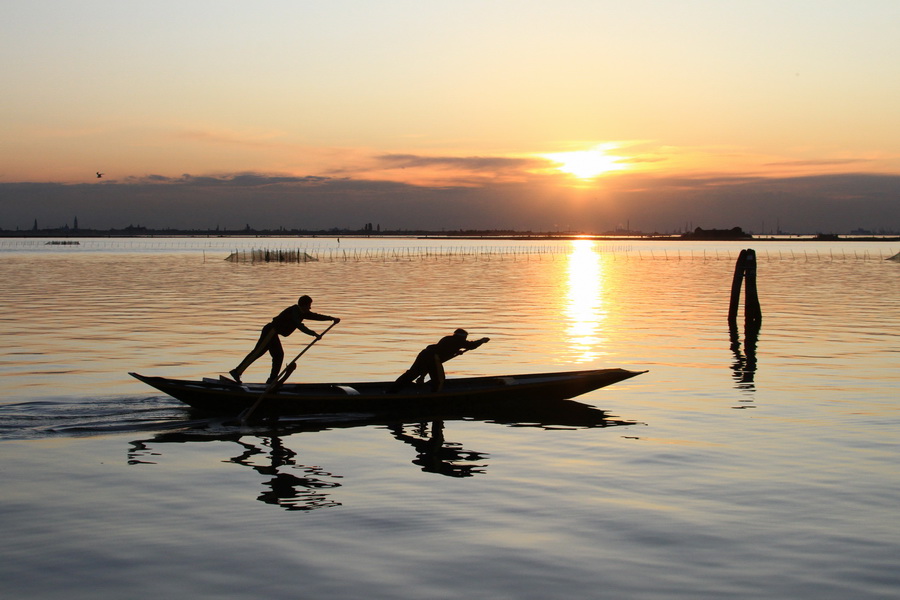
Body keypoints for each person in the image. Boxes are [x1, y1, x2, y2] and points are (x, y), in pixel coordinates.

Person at [229, 295, 339, 384]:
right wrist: (314, 334)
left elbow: (316, 316)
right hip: (270, 331)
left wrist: (332, 319)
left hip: (274, 334)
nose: (310, 308)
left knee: (278, 355)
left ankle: (272, 379)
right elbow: (299, 325)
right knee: (257, 352)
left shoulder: (302, 312)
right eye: (309, 306)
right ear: (304, 305)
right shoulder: (295, 311)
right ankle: (237, 371)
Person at [388, 329, 489, 393]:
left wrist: (455, 352)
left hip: (424, 353)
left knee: (411, 374)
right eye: (465, 338)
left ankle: (393, 390)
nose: (465, 340)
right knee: (439, 379)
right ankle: (434, 395)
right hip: (432, 356)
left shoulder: (447, 339)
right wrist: (481, 341)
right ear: (462, 337)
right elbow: (470, 346)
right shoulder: (457, 340)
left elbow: (443, 352)